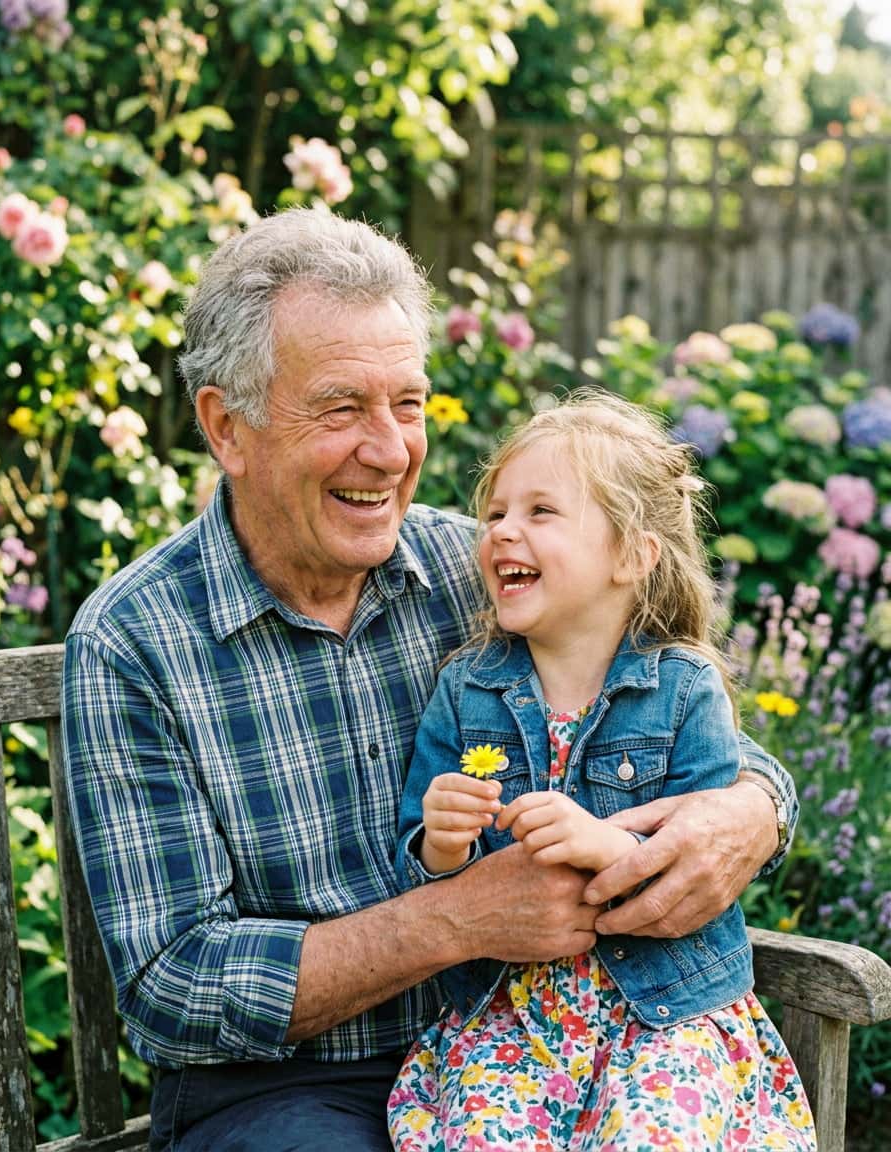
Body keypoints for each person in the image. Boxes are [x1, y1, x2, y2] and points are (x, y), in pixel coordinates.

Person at [60, 207, 799, 1152]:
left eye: (406, 404)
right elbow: (173, 989)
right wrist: (455, 920)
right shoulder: (136, 642)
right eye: (341, 408)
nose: (390, 449)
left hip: (534, 1050)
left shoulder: (485, 573)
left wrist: (749, 812)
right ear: (226, 428)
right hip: (287, 1095)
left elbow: (672, 715)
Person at [388, 392, 816, 1152]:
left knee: (656, 1135)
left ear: (632, 555)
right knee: (487, 1137)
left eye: (542, 511)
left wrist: (602, 844)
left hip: (663, 1017)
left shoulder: (684, 690)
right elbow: (422, 864)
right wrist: (443, 843)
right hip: (511, 1020)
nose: (503, 531)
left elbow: (703, 876)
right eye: (496, 513)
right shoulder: (466, 688)